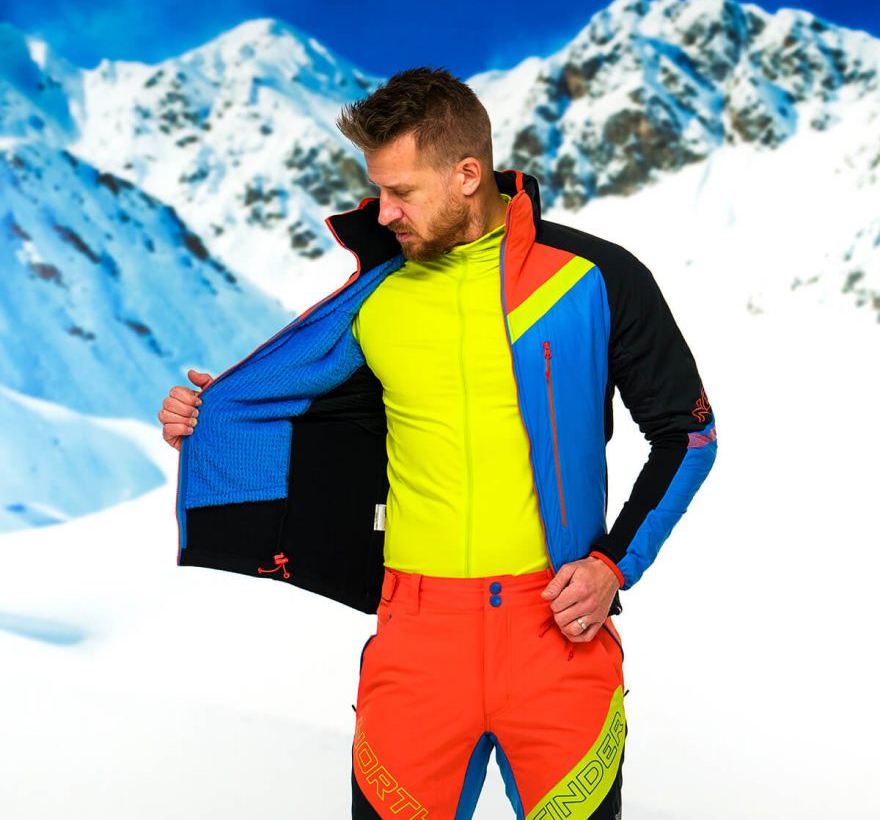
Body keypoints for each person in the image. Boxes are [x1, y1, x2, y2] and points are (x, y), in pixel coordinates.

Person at [159, 67, 717, 819]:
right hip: (416, 640)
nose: (383, 212)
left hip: (557, 633)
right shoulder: (374, 299)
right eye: (378, 191)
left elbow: (688, 435)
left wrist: (613, 566)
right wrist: (206, 424)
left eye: (401, 192)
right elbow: (301, 423)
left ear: (467, 175)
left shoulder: (593, 277)